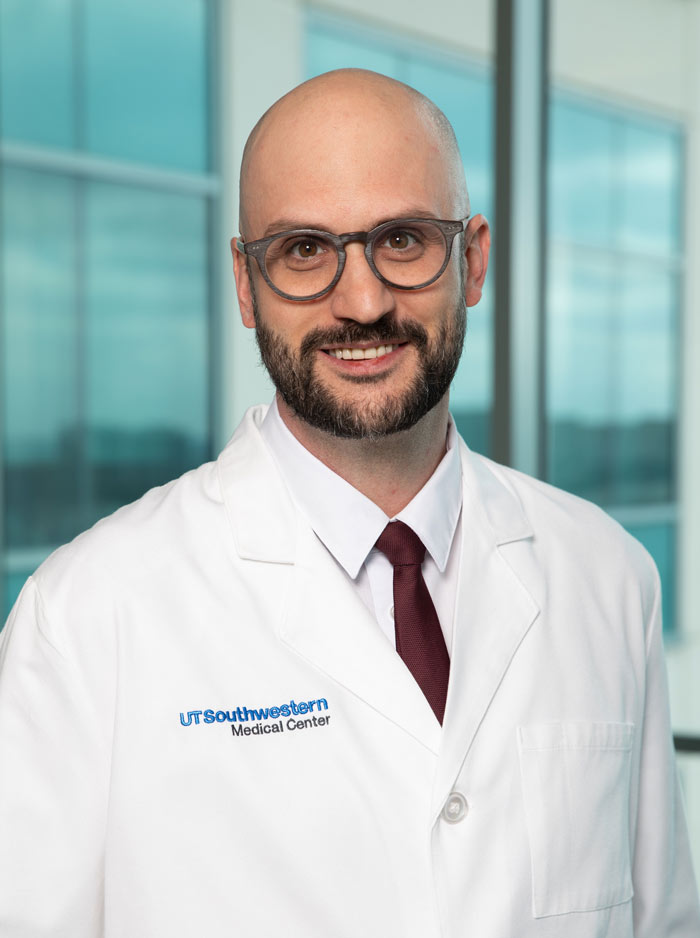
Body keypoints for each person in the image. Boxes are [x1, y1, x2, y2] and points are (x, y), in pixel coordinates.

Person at [0, 68, 698, 938]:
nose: (362, 302)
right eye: (303, 251)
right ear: (246, 284)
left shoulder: (607, 575)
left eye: (402, 239)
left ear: (472, 260)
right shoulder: (85, 617)